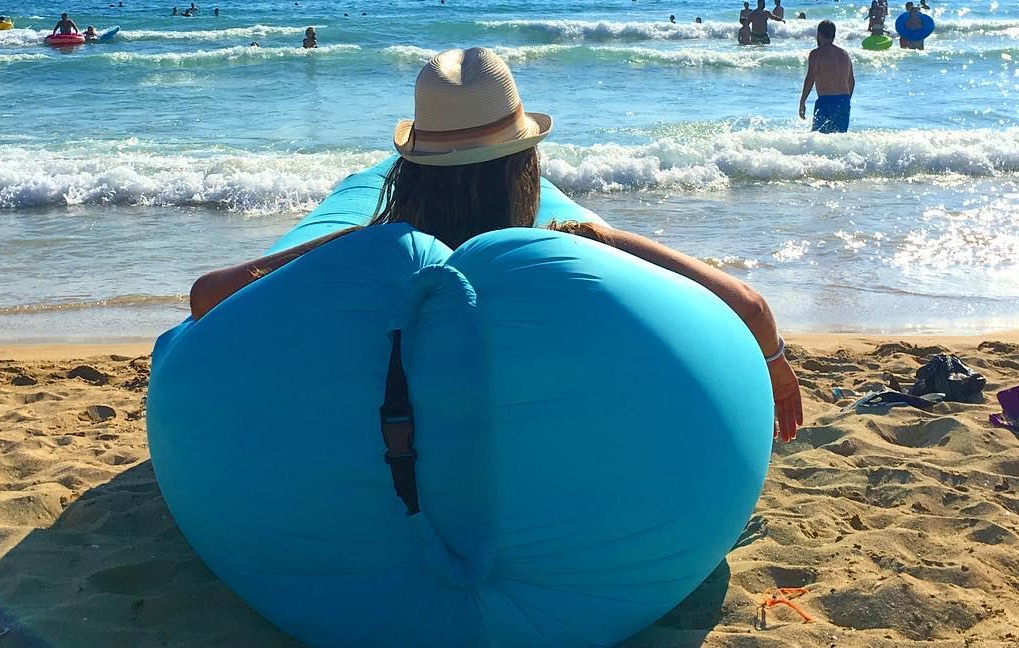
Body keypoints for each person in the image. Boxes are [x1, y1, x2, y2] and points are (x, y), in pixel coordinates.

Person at [189, 48, 802, 441]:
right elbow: (747, 307)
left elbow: (208, 297)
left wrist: (342, 244)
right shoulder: (575, 249)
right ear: (525, 167)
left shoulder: (368, 251)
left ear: (414, 167)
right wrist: (773, 366)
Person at [798, 21, 855, 133]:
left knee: (818, 137)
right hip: (843, 101)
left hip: (826, 101)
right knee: (839, 139)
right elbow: (851, 81)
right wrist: (846, 101)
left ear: (819, 34)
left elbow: (810, 78)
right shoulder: (844, 54)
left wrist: (802, 102)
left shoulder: (816, 54)